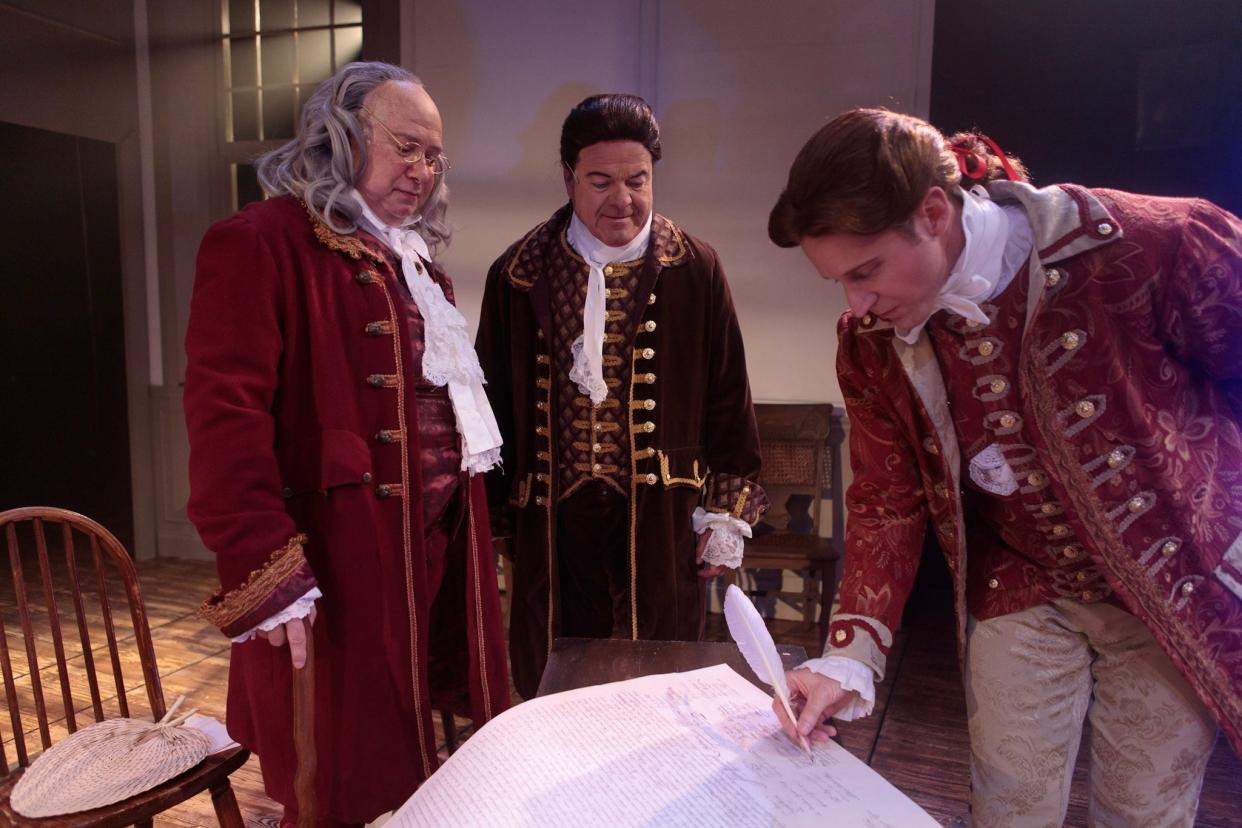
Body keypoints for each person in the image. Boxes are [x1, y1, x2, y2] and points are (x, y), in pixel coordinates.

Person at [767, 107, 1242, 826]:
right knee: (1008, 805)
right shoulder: (869, 340)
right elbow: (886, 498)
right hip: (1017, 583)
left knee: (1144, 811)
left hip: (1165, 586)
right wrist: (849, 654)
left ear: (933, 212)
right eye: (838, 280)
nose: (856, 302)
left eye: (865, 271)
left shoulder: (1152, 244)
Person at [185, 62, 509, 826]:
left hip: (429, 552)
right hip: (336, 555)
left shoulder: (422, 268)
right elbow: (223, 416)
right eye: (406, 147)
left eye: (434, 157)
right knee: (338, 769)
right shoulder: (259, 241)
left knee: (415, 736)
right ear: (340, 135)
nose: (422, 171)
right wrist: (263, 564)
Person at [476, 93, 769, 698]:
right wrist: (497, 518)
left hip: (658, 525)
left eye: (638, 180)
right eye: (601, 181)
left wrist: (726, 514)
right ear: (569, 179)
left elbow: (728, 399)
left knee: (658, 682)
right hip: (550, 526)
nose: (623, 200)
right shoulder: (516, 274)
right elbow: (494, 407)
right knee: (550, 682)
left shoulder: (695, 268)